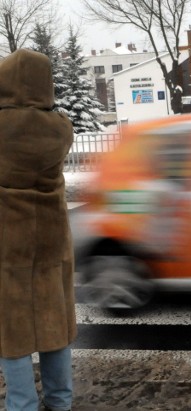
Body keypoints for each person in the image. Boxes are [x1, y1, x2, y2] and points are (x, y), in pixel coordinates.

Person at [0, 49, 76, 411]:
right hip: (51, 244)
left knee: (11, 332)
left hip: (7, 247)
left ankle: (22, 405)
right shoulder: (60, 129)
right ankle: (61, 401)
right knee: (54, 324)